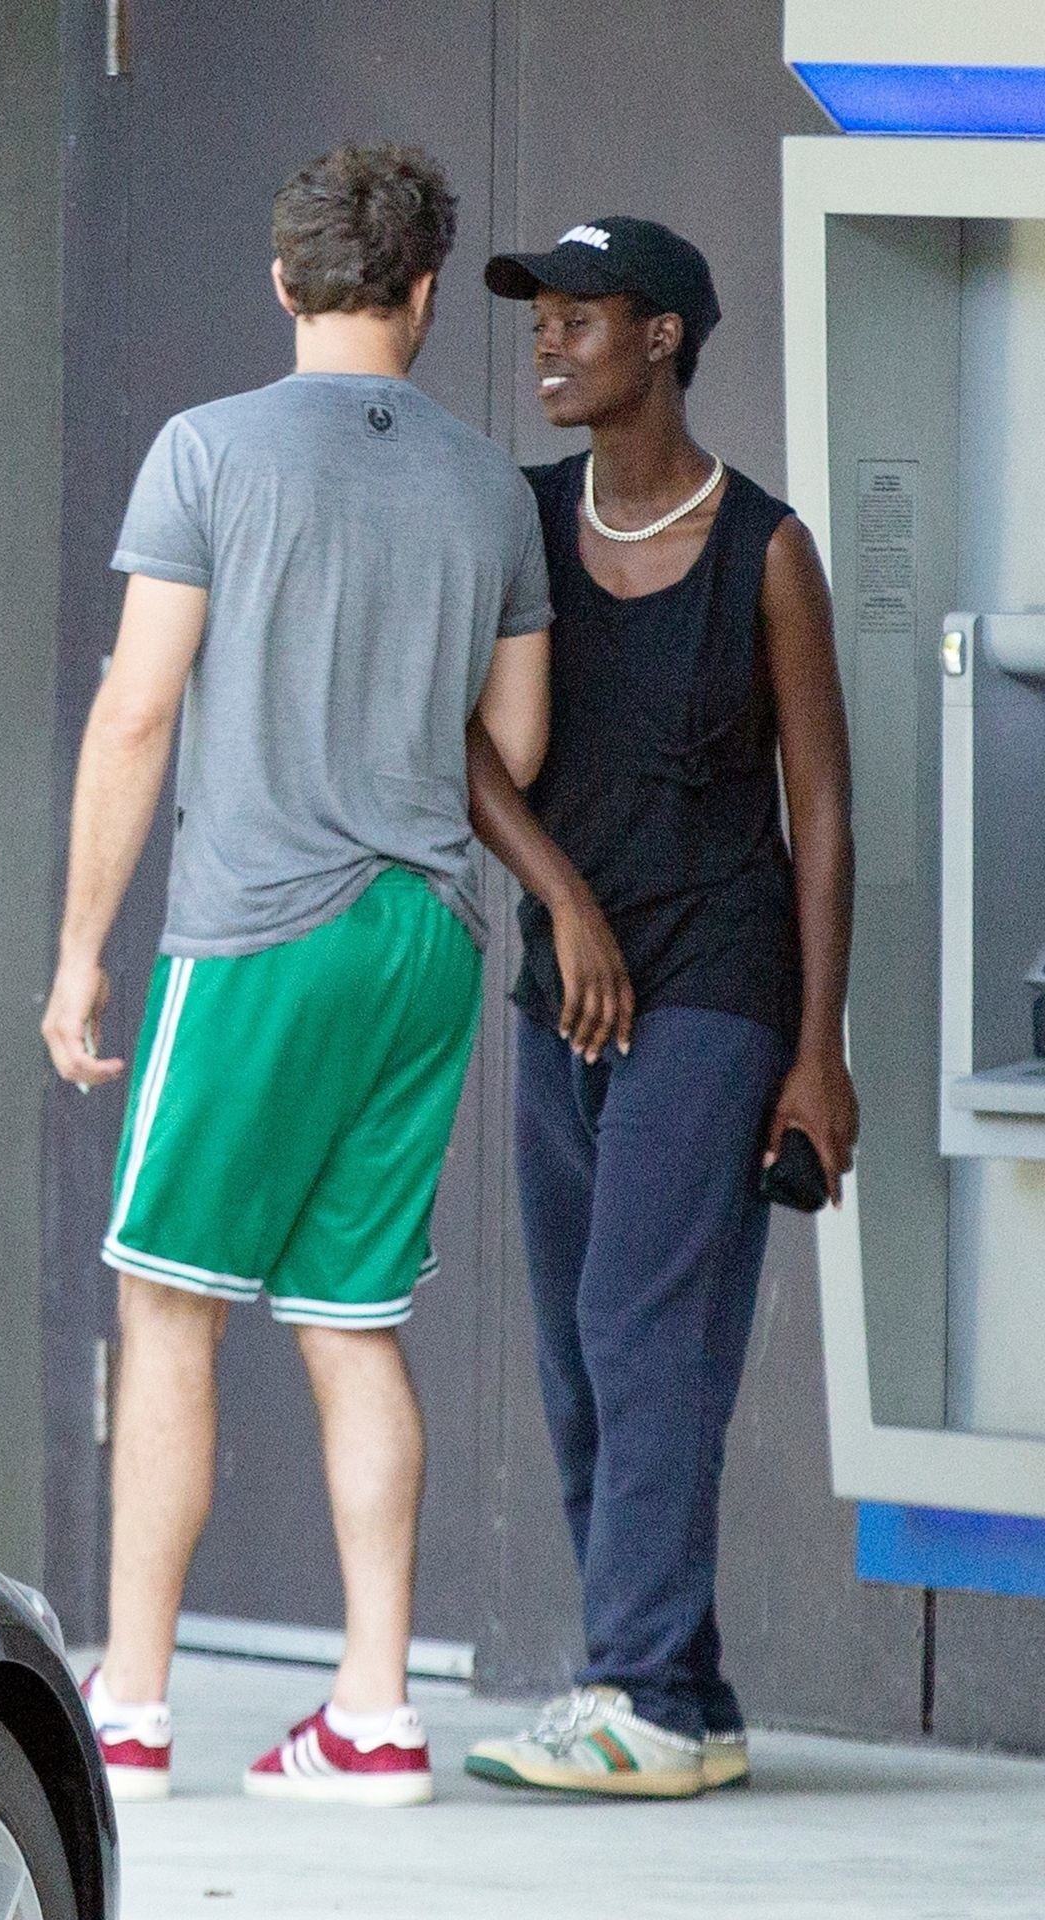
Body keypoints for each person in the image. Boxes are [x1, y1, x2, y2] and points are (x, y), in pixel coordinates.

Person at [40, 144, 622, 1809]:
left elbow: (138, 711)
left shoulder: (206, 450)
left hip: (257, 933)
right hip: (424, 938)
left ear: (285, 281)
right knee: (356, 1324)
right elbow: (516, 744)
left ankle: (132, 1709)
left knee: (169, 1308)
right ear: (428, 294)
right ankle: (374, 1712)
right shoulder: (490, 491)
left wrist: (79, 956)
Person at [462, 217, 859, 1797]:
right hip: (564, 990)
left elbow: (822, 810)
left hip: (717, 986)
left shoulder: (767, 550)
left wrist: (819, 1054)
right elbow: (458, 738)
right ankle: (684, 1694)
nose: (549, 343)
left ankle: (630, 1687)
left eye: (582, 317)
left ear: (666, 339)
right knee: (582, 1352)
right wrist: (563, 899)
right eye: (538, 319)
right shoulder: (517, 520)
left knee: (643, 1328)